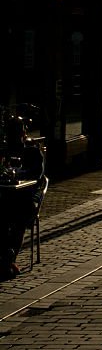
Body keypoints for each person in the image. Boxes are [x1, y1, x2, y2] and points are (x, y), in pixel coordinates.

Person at [0, 113, 47, 280]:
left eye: (17, 133)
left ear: (23, 134)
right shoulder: (5, 150)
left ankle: (9, 258)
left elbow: (37, 175)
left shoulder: (33, 151)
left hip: (27, 196)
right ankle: (6, 258)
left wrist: (20, 174)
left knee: (18, 218)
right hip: (8, 195)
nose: (13, 137)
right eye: (10, 133)